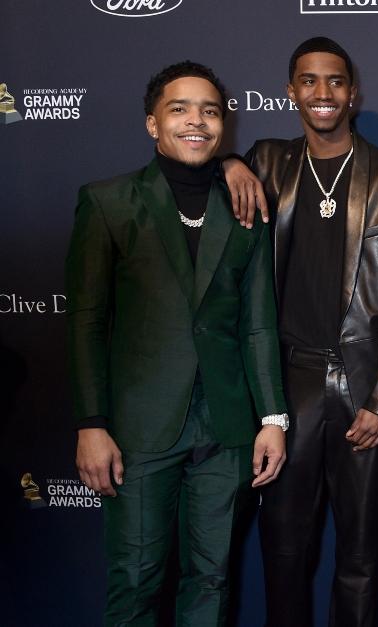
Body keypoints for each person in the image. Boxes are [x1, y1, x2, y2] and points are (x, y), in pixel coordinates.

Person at [67, 60, 287, 626]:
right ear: (152, 123)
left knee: (211, 580)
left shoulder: (246, 210)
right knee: (136, 579)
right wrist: (91, 423)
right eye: (180, 109)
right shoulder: (108, 202)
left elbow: (258, 322)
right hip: (139, 430)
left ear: (223, 125)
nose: (197, 122)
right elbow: (87, 323)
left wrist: (272, 419)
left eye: (210, 111)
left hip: (228, 428)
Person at [222, 37, 378, 627]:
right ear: (291, 91)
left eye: (335, 81)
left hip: (364, 389)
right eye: (309, 81)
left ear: (353, 91)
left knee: (360, 559)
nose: (323, 93)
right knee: (284, 553)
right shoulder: (265, 161)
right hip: (289, 385)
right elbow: (196, 155)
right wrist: (228, 162)